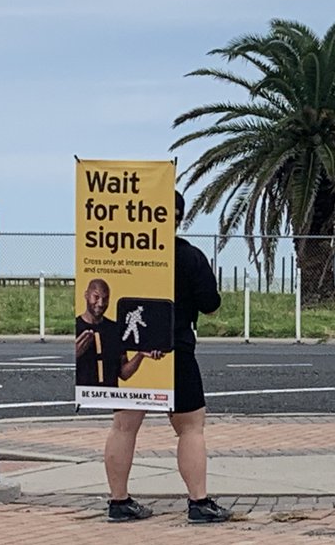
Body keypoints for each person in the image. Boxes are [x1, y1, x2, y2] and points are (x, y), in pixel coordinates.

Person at [104, 191, 233, 523]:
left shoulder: (122, 250)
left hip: (131, 347)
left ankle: (119, 502)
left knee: (123, 426)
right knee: (190, 428)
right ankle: (199, 502)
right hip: (175, 350)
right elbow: (210, 303)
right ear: (179, 217)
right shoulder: (189, 257)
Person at [75, 279, 158, 387]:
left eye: (105, 299)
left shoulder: (115, 329)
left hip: (111, 400)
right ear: (86, 295)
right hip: (82, 400)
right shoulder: (75, 327)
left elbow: (124, 374)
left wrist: (140, 354)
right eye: (96, 297)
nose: (100, 303)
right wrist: (74, 355)